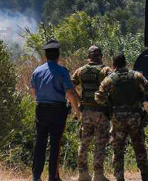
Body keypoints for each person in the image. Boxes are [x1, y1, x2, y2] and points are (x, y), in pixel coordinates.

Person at [95, 53, 148, 181]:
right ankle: (145, 176)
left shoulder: (110, 79)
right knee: (139, 147)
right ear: (125, 63)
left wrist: (108, 100)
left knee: (118, 149)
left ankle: (119, 177)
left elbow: (99, 97)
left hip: (118, 119)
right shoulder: (136, 76)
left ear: (114, 65)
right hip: (135, 118)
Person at [30, 39, 81, 181]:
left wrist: (40, 101)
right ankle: (53, 177)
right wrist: (76, 110)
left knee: (39, 143)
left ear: (45, 55)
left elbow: (34, 90)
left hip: (41, 110)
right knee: (55, 144)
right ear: (58, 55)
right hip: (57, 111)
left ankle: (36, 176)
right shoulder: (62, 71)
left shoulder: (37, 71)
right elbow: (70, 93)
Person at [71, 45, 113, 181]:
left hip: (87, 112)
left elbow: (70, 86)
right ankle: (98, 174)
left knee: (84, 142)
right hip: (102, 112)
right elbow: (114, 87)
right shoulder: (106, 70)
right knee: (100, 143)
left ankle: (82, 173)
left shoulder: (80, 71)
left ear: (89, 57)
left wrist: (79, 101)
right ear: (100, 56)